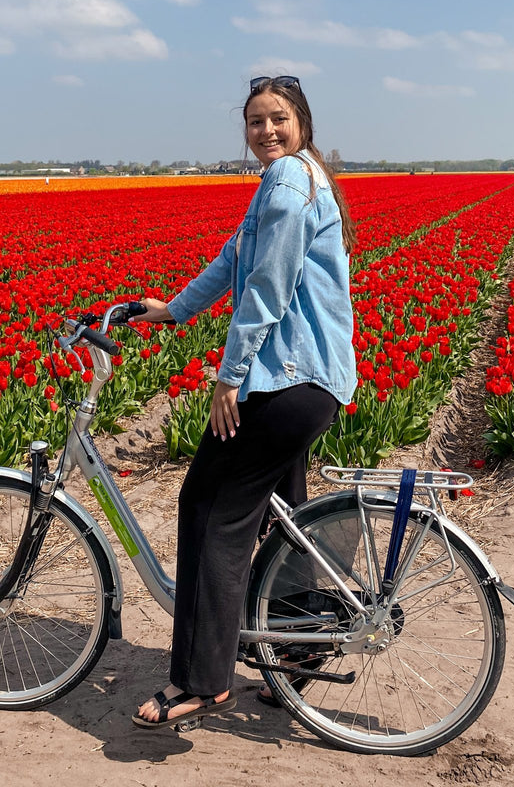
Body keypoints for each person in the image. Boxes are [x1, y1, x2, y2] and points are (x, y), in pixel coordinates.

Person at [131, 75, 357, 729]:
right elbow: (235, 259)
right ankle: (298, 649)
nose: (266, 131)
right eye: (255, 121)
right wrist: (174, 309)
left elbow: (266, 287)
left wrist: (230, 376)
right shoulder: (295, 178)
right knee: (282, 515)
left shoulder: (288, 180)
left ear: (302, 123)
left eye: (277, 118)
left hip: (285, 380)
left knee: (208, 508)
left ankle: (201, 680)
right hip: (310, 380)